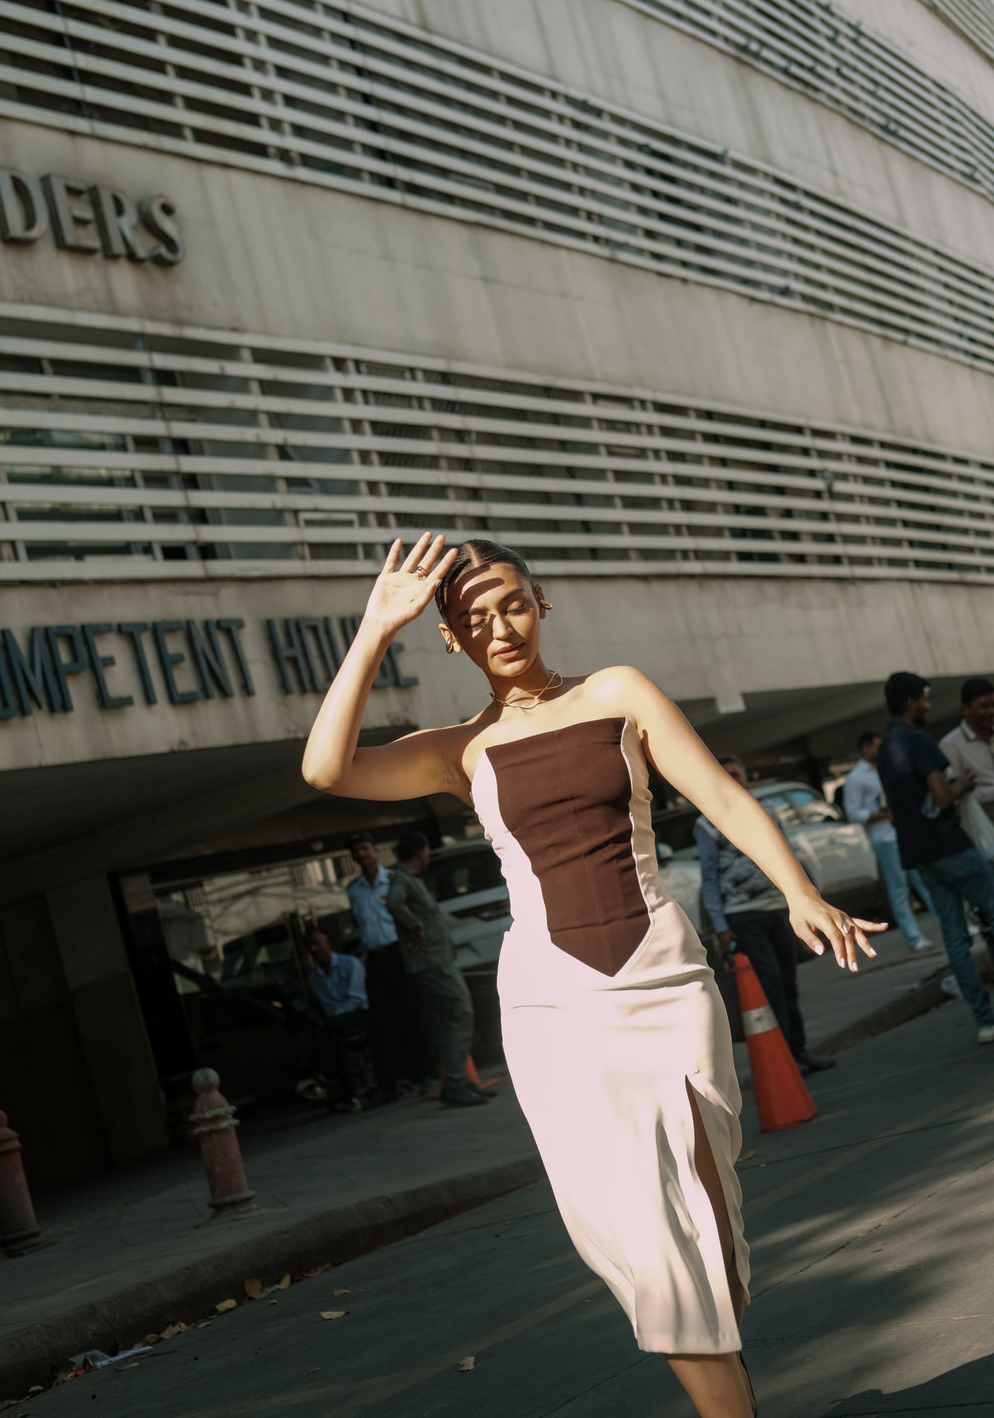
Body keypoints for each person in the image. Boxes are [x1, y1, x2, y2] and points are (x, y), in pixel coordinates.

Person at [301, 531, 884, 1418]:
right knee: (639, 1231)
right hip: (552, 1004)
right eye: (474, 617)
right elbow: (325, 767)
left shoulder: (619, 693)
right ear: (452, 638)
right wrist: (378, 627)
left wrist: (799, 891)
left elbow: (721, 799)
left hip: (664, 975)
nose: (500, 626)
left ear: (541, 604)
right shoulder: (460, 747)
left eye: (513, 604)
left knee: (699, 1196)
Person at [696, 757, 835, 1077]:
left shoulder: (766, 811)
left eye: (738, 773)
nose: (734, 779)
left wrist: (802, 898)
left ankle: (799, 1050)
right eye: (727, 774)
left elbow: (787, 853)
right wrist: (720, 926)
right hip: (742, 914)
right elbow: (709, 878)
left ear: (747, 776)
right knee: (770, 983)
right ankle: (785, 1059)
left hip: (778, 908)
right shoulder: (706, 822)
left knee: (788, 981)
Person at [876, 671, 994, 1044]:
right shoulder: (918, 740)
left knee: (955, 941)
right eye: (925, 697)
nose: (927, 704)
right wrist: (964, 785)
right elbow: (942, 797)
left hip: (918, 855)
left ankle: (985, 1019)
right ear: (912, 701)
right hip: (949, 845)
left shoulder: (884, 747)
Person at [386, 830, 491, 1109]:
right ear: (421, 852)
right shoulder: (404, 880)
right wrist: (416, 926)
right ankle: (456, 1083)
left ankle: (460, 1083)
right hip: (431, 962)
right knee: (460, 1012)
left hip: (436, 961)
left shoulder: (410, 880)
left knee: (450, 1020)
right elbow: (393, 902)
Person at [843, 731, 936, 952]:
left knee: (927, 882)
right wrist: (883, 814)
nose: (879, 750)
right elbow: (853, 813)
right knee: (899, 889)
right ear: (865, 748)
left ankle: (950, 925)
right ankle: (914, 938)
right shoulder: (856, 778)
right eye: (876, 746)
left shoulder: (887, 767)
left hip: (905, 832)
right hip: (884, 838)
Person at [344, 831, 407, 1103]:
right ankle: (389, 1084)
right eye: (356, 851)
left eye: (365, 849)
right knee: (380, 1023)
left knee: (410, 1015)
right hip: (375, 958)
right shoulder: (353, 889)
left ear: (375, 850)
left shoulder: (392, 881)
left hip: (398, 954)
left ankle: (423, 1073)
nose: (361, 855)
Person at [306, 927, 370, 1114]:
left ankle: (322, 1075)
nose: (315, 948)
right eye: (311, 945)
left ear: (328, 943)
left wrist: (336, 1017)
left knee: (332, 1029)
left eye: (318, 943)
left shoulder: (350, 964)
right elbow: (326, 1005)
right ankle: (350, 1092)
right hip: (336, 1022)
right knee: (338, 1042)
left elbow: (356, 997)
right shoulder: (315, 978)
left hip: (357, 1013)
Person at [940, 677, 994, 825]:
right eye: (984, 706)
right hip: (984, 830)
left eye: (993, 705)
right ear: (966, 709)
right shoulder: (951, 745)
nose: (991, 711)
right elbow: (953, 795)